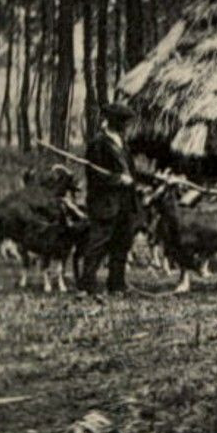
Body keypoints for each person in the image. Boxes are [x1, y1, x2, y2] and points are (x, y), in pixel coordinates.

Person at [79, 102, 140, 295]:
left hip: (124, 203)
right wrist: (117, 179)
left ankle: (117, 284)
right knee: (98, 243)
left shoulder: (122, 141)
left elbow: (130, 171)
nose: (126, 126)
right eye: (123, 122)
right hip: (104, 203)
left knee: (122, 243)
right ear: (114, 121)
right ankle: (87, 285)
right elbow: (94, 176)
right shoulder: (98, 143)